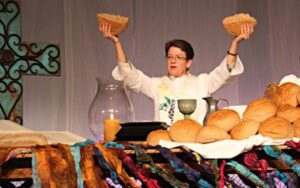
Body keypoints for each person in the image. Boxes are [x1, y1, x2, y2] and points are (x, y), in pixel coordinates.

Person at [99, 21, 254, 125]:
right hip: (165, 145)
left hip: (194, 146)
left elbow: (224, 71)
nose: (173, 61)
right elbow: (130, 74)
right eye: (170, 57)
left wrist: (235, 43)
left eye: (178, 58)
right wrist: (117, 43)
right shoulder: (157, 84)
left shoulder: (202, 82)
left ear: (188, 62)